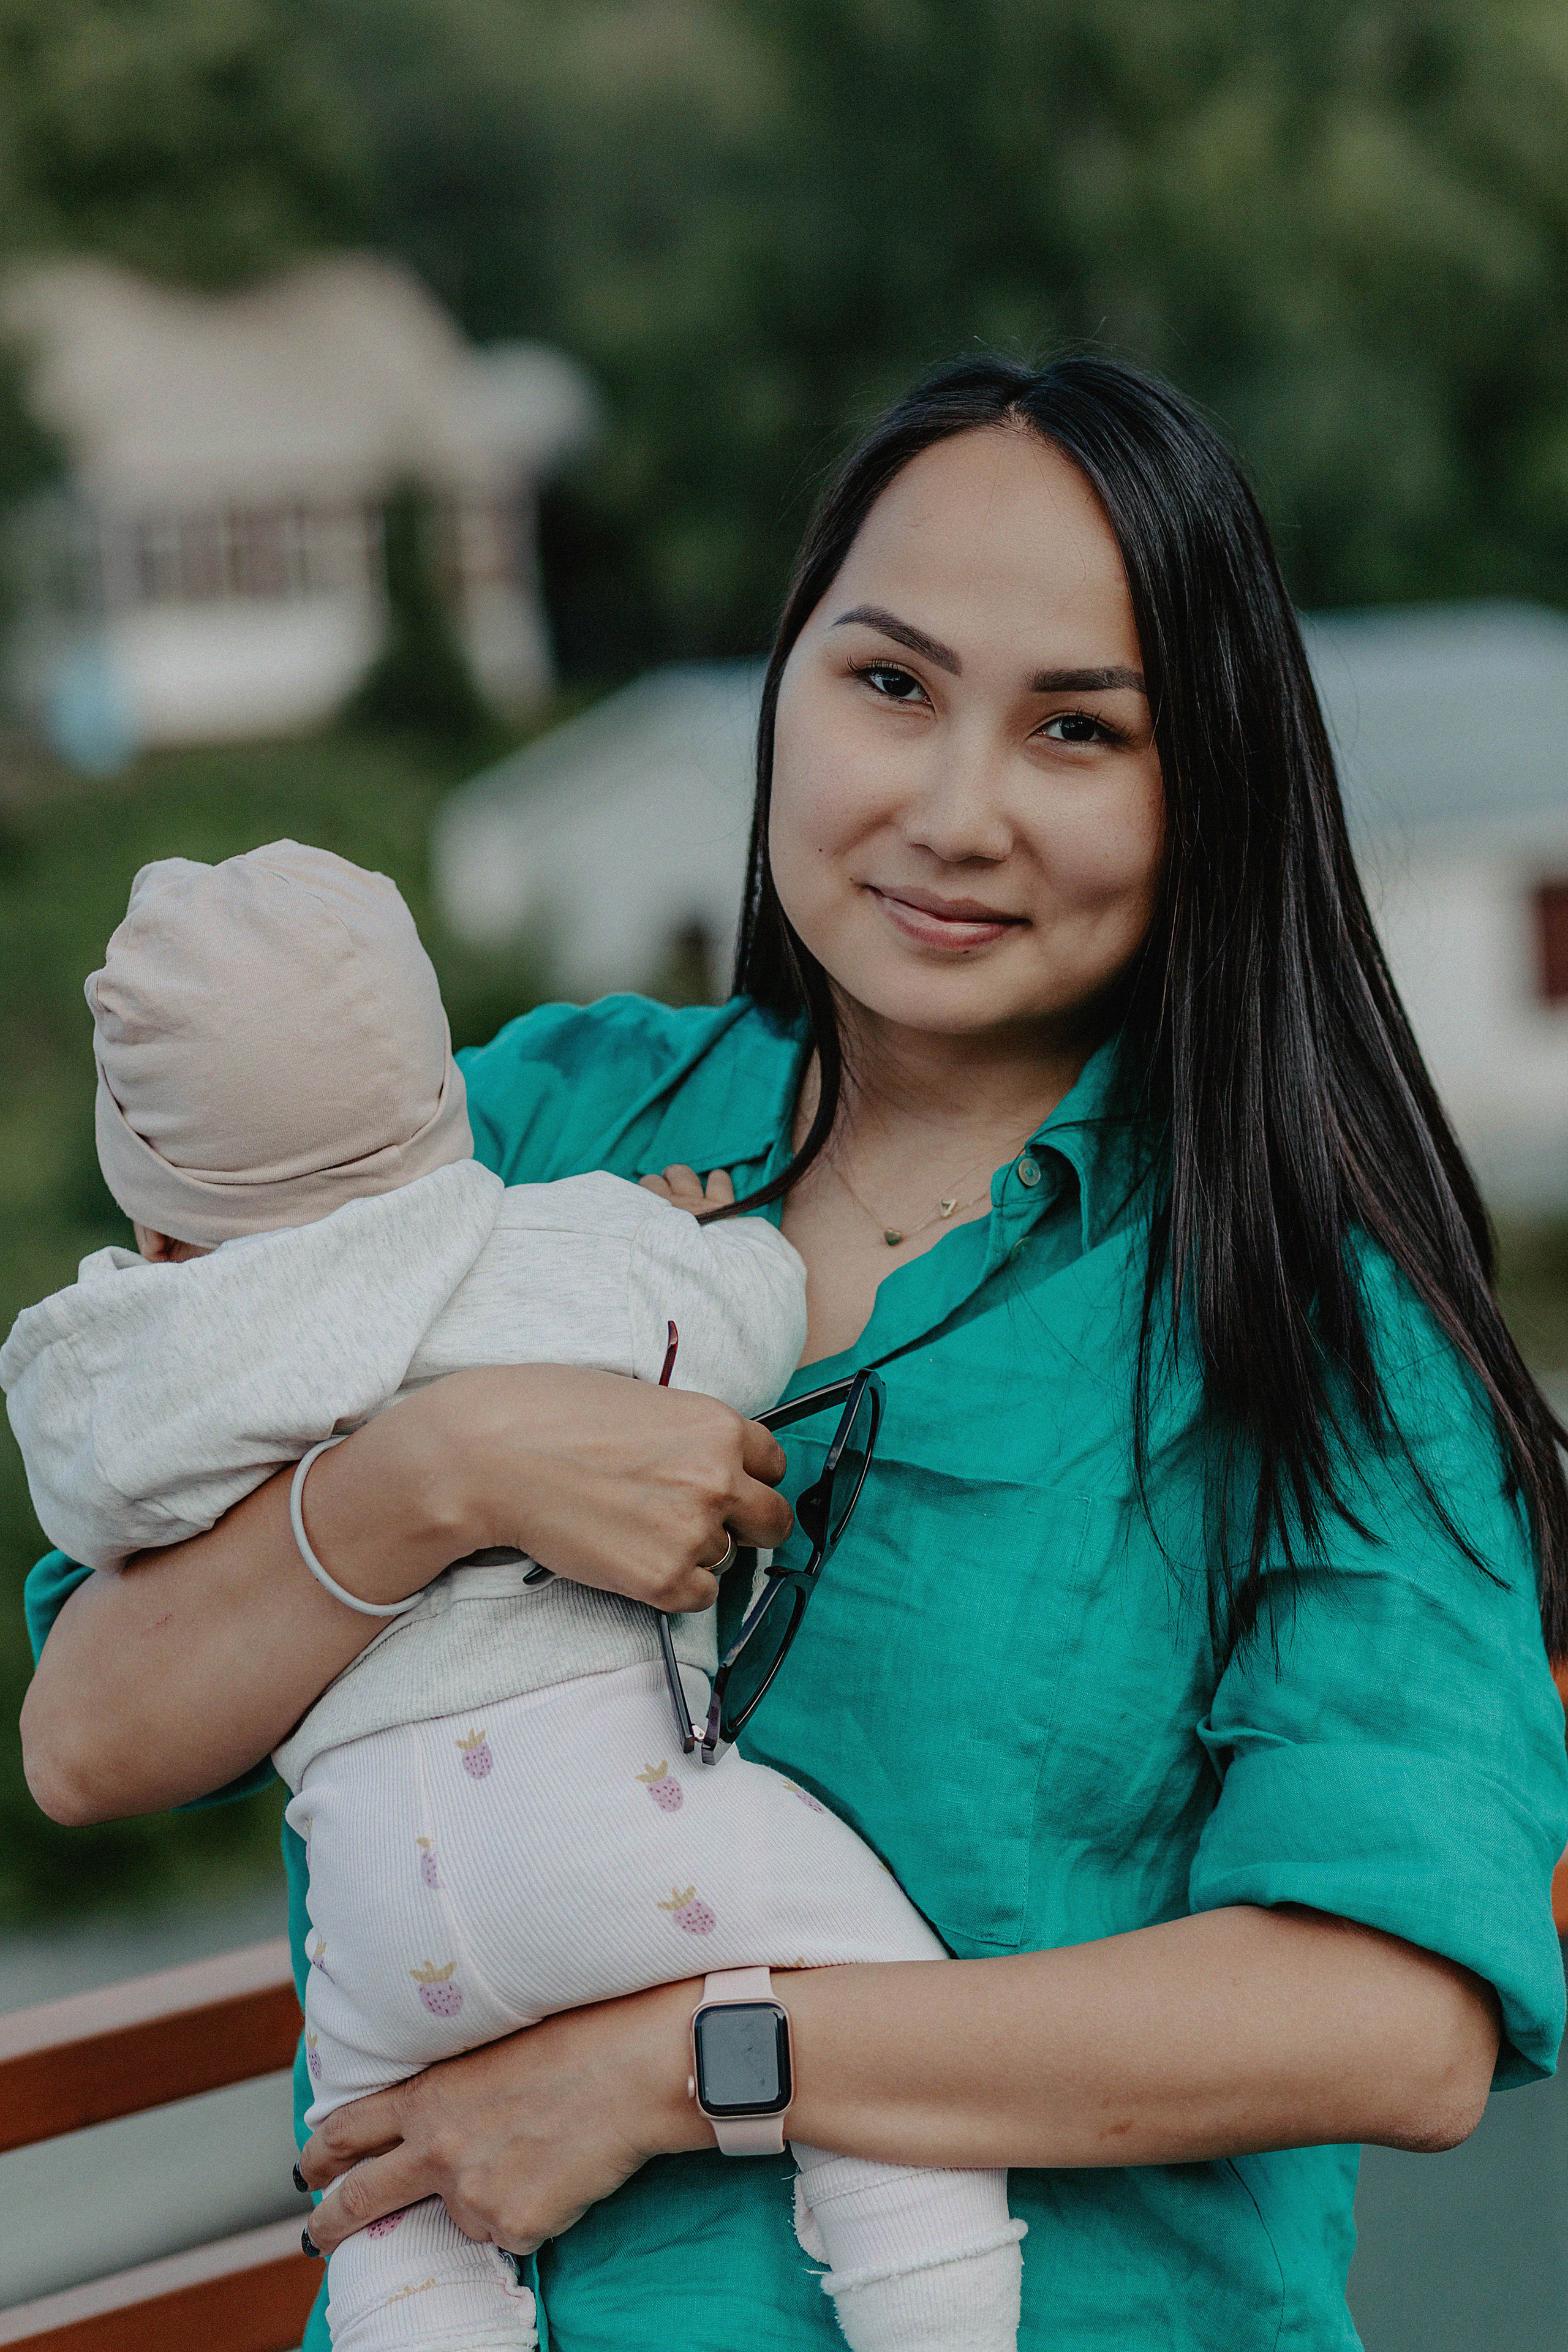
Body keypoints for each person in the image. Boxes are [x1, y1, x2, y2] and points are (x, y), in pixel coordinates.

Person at [20, 353, 1568, 2352]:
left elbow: (1394, 2021)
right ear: (784, 684)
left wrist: (694, 2063)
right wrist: (439, 1475)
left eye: (1078, 729)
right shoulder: (518, 1136)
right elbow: (90, 1735)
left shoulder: (1309, 1312)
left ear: (1209, 791)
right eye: (890, 684)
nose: (952, 812)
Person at [3, 840, 1023, 2352]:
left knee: (378, 2175)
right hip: (618, 1841)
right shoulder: (567, 1237)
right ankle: (935, 2300)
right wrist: (708, 1241)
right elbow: (748, 1328)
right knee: (871, 1962)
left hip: (384, 1914)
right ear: (445, 1120)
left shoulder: (141, 1370)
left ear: (157, 1231)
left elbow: (106, 1550)